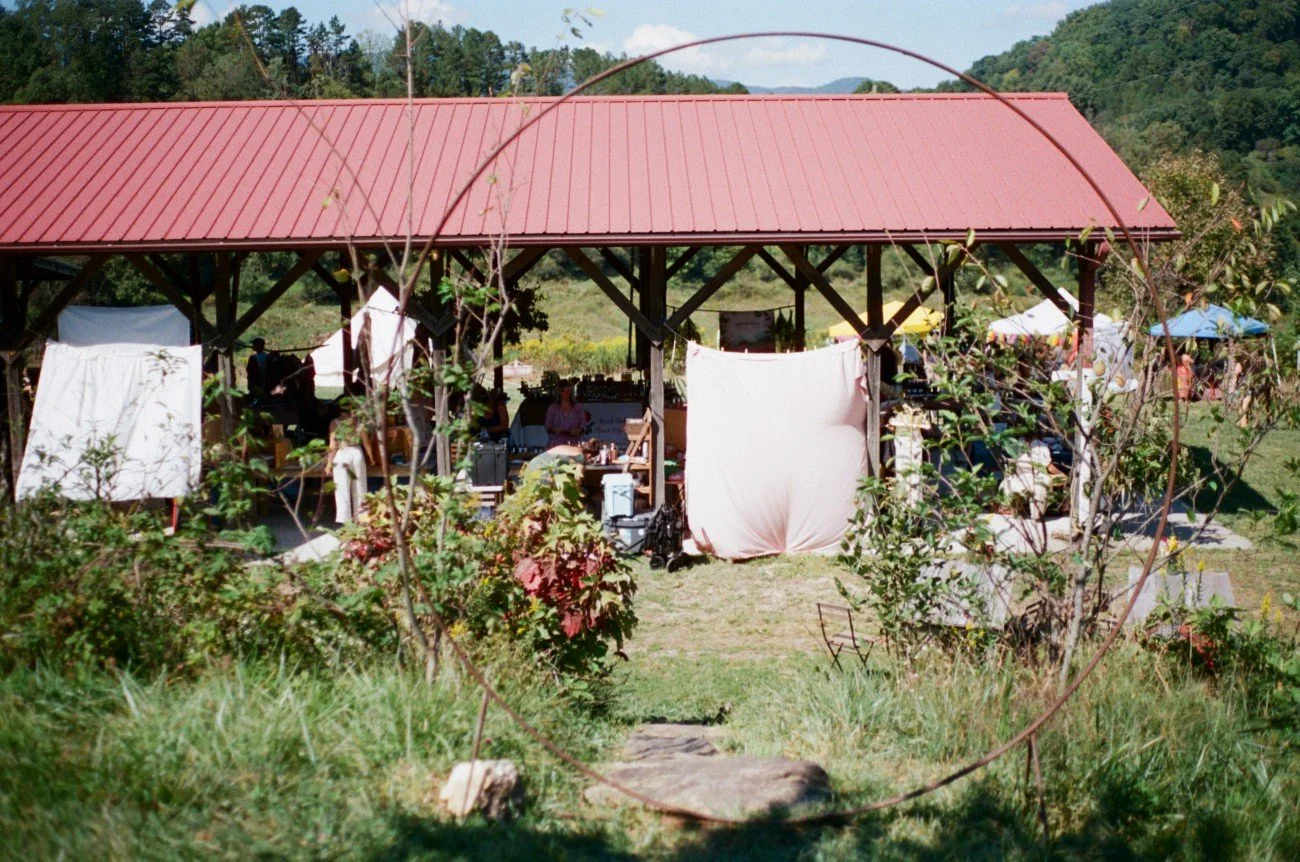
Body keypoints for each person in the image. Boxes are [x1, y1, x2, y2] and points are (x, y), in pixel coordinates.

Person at [326, 414, 373, 523]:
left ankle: (345, 521)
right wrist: (371, 458)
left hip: (342, 453)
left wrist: (329, 464)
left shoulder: (334, 423)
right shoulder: (359, 421)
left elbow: (332, 446)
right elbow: (366, 442)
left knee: (342, 489)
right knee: (360, 487)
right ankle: (362, 519)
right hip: (357, 453)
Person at [545, 379, 590, 447]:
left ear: (571, 392)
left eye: (568, 391)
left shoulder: (578, 407)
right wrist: (555, 430)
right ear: (559, 392)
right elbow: (548, 426)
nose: (566, 393)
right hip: (556, 444)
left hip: (574, 443)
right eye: (563, 391)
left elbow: (583, 425)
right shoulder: (552, 408)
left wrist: (578, 430)